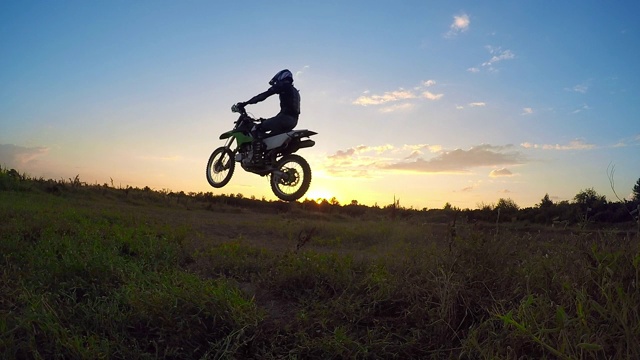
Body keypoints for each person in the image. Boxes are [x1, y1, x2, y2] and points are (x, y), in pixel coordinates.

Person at [235, 69, 301, 164]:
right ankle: (270, 161)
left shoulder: (283, 86)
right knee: (269, 138)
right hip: (293, 121)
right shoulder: (294, 91)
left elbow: (263, 96)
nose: (276, 83)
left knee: (256, 128)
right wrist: (268, 120)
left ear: (281, 77)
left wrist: (246, 103)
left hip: (283, 119)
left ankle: (256, 158)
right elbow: (290, 109)